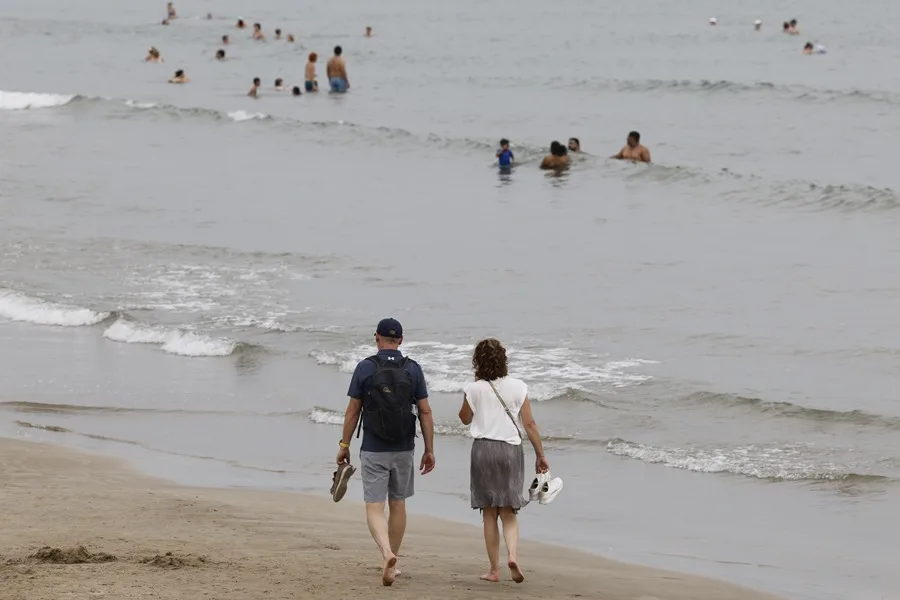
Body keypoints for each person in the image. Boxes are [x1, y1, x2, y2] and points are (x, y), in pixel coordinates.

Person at [337, 318, 435, 587]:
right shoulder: (413, 369)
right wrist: (429, 449)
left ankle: (386, 553)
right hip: (404, 447)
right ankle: (394, 560)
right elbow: (425, 411)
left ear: (377, 338)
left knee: (374, 506)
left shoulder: (365, 367)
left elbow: (353, 411)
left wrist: (344, 446)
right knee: (398, 503)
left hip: (373, 447)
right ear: (401, 340)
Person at [458, 338, 550, 585]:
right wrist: (541, 455)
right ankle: (512, 555)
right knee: (508, 511)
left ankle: (493, 570)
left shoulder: (474, 388)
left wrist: (475, 389)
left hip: (482, 450)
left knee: (488, 511)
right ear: (504, 360)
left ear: (478, 362)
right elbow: (529, 424)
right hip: (510, 450)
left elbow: (465, 418)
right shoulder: (518, 387)